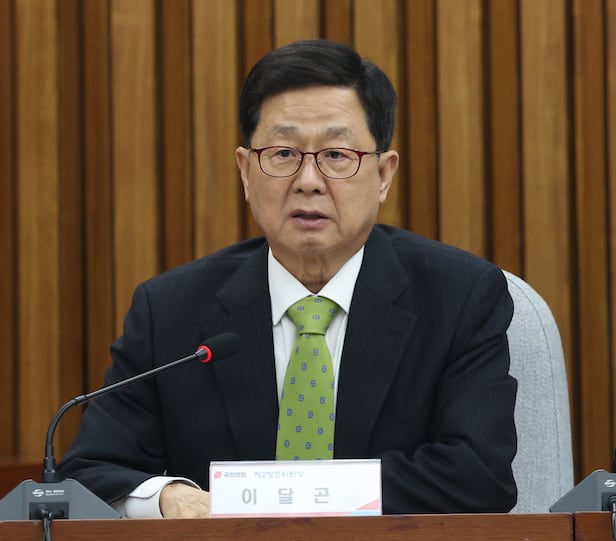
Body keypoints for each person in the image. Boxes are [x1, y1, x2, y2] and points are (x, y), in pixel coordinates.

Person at [58, 39, 517, 517]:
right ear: (245, 171)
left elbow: (478, 477)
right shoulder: (169, 310)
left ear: (383, 174)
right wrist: (168, 498)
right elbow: (89, 473)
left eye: (336, 155)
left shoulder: (458, 296)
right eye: (283, 153)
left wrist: (283, 496)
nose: (308, 181)